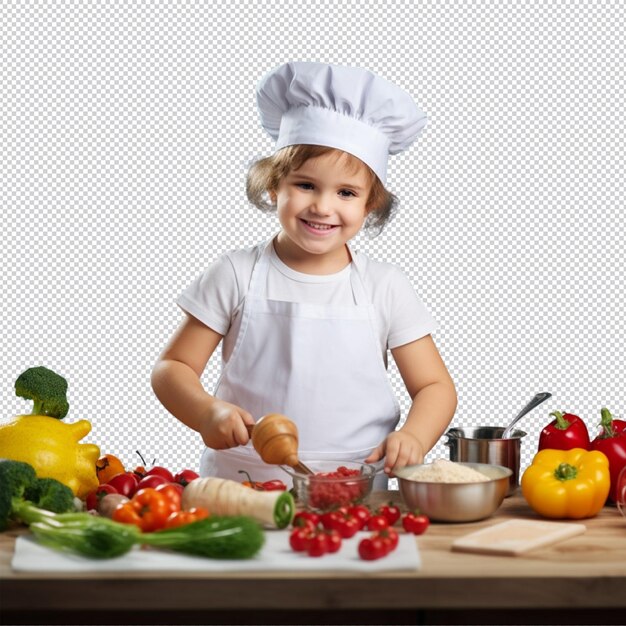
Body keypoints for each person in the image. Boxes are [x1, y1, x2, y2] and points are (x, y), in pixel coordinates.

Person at [151, 61, 457, 486]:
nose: (322, 207)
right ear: (274, 185)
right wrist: (206, 411)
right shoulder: (237, 273)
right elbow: (173, 367)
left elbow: (434, 386)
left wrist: (414, 436)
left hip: (355, 490)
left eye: (346, 193)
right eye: (306, 185)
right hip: (242, 485)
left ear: (369, 205)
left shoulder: (385, 287)